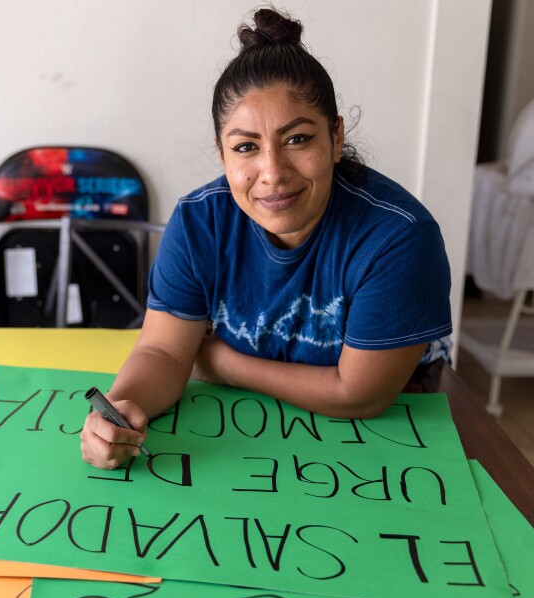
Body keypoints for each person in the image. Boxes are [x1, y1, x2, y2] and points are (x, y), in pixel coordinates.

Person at [80, 7, 452, 469]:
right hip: (246, 441)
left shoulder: (399, 238)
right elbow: (161, 350)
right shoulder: (200, 222)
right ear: (222, 154)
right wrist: (123, 408)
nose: (273, 173)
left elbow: (359, 395)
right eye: (245, 147)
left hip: (381, 444)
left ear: (335, 137)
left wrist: (217, 361)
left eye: (297, 139)